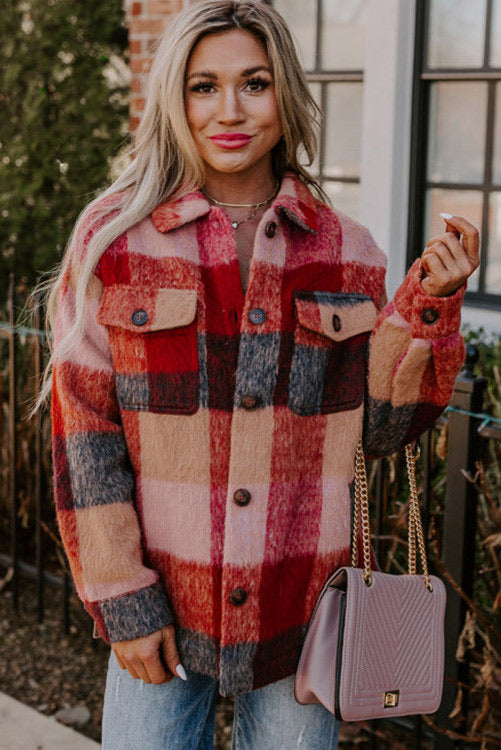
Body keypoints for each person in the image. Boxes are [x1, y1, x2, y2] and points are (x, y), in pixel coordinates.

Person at [44, 1, 479, 747]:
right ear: (174, 101)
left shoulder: (348, 250)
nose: (230, 110)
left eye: (254, 82)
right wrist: (123, 600)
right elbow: (85, 435)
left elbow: (382, 429)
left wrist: (428, 307)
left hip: (299, 614)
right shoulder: (115, 239)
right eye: (203, 86)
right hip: (162, 608)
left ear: (286, 92)